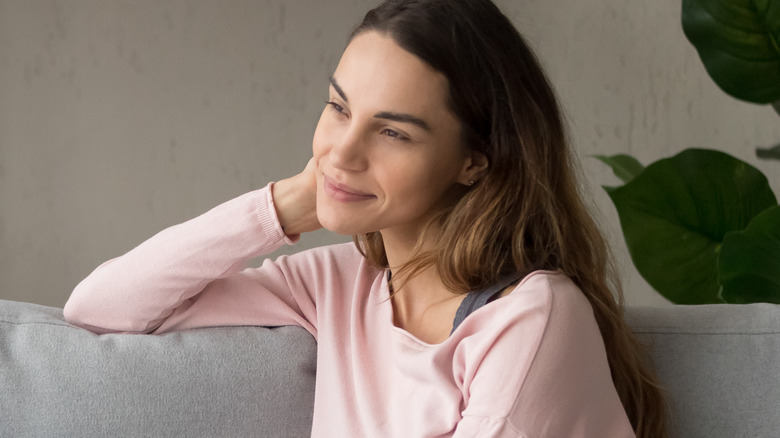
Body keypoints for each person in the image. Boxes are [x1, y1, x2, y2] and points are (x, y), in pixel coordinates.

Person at [64, 0, 667, 436]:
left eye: (392, 132)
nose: (343, 152)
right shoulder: (341, 283)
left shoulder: (531, 318)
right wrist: (289, 202)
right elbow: (101, 307)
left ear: (474, 163)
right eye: (338, 108)